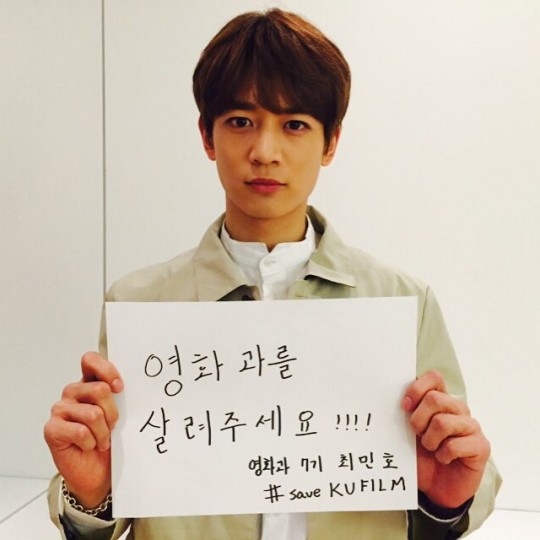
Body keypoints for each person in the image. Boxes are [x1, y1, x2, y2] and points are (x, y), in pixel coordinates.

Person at [44, 8, 501, 540]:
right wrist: (92, 494)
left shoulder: (403, 301)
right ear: (207, 136)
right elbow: (107, 511)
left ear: (330, 142)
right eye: (241, 121)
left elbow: (450, 482)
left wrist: (444, 501)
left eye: (295, 125)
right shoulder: (138, 304)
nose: (265, 152)